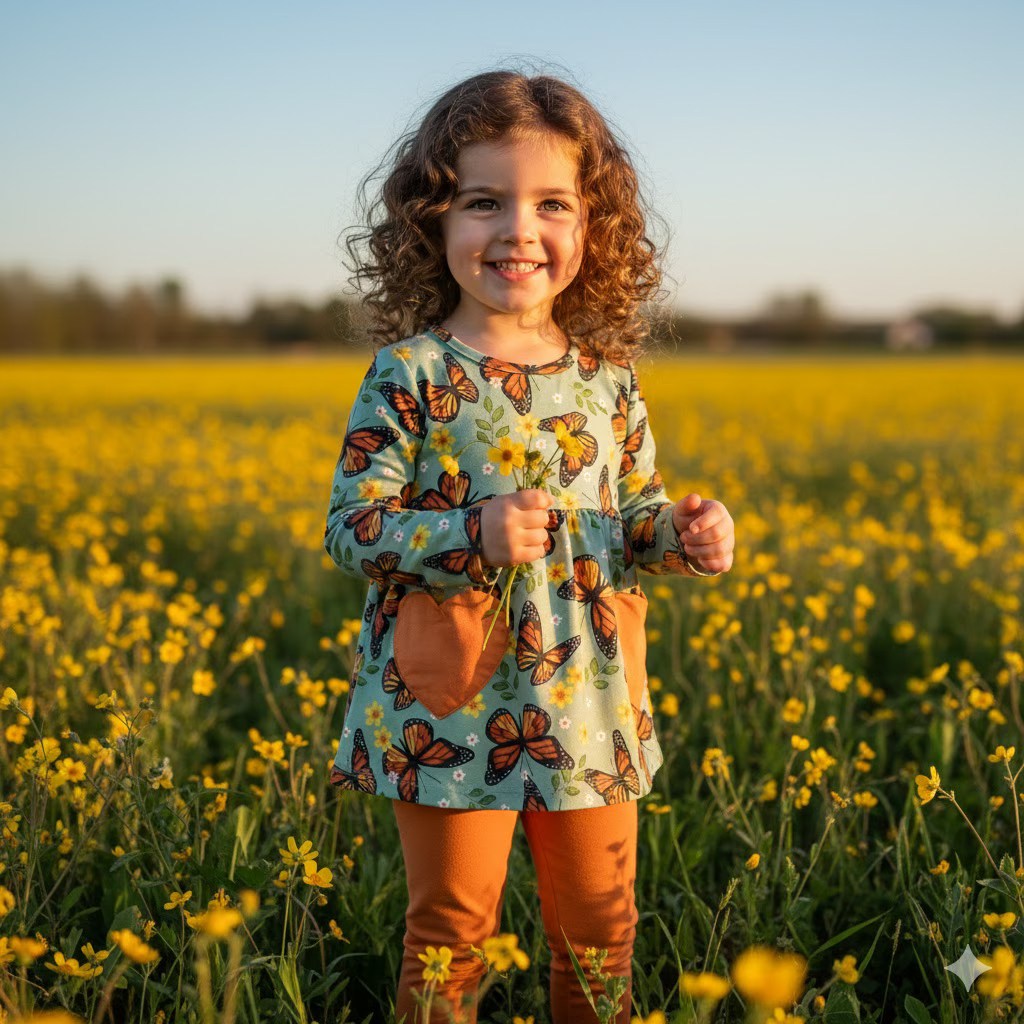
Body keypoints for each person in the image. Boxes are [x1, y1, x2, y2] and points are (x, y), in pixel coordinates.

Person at [324, 68, 735, 1024]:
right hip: (451, 705)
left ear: (593, 229)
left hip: (589, 701)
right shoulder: (412, 373)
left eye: (552, 202)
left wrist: (683, 534)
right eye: (483, 201)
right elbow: (353, 527)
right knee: (450, 933)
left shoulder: (610, 379)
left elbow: (630, 517)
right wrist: (471, 531)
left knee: (601, 930)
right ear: (433, 221)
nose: (518, 229)